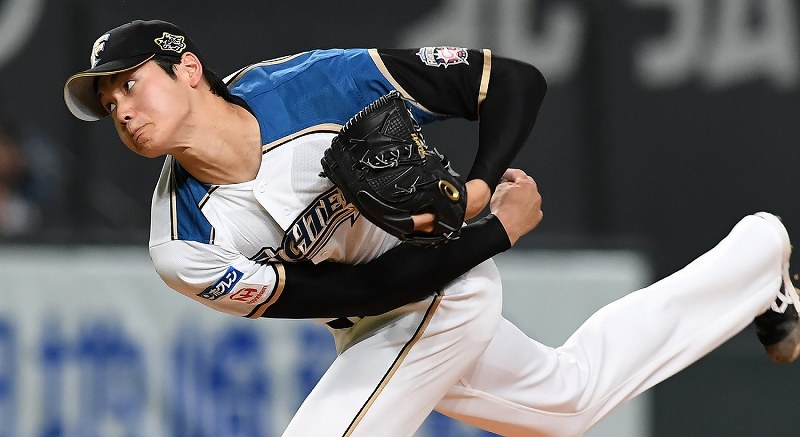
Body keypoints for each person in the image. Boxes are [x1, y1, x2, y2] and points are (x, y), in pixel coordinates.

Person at [64, 19, 800, 437]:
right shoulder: (182, 242)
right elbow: (362, 285)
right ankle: (760, 257)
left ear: (188, 67)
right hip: (386, 307)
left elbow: (513, 81)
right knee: (569, 398)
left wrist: (481, 188)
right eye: (107, 100)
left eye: (131, 82)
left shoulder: (312, 84)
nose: (121, 108)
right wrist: (496, 231)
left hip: (447, 289)